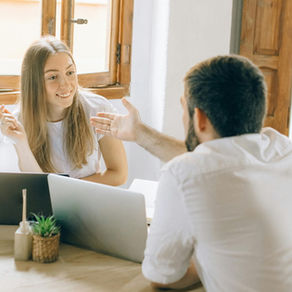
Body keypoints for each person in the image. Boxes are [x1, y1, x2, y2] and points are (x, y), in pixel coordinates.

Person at [91, 55, 292, 291]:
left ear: (200, 118)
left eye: (183, 107)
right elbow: (220, 159)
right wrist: (140, 133)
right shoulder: (281, 147)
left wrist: (205, 255)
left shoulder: (183, 173)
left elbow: (163, 277)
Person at [0, 36, 127, 186]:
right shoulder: (20, 122)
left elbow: (119, 174)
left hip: (87, 200)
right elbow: (37, 185)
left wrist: (68, 189)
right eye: (53, 77)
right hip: (46, 205)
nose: (65, 85)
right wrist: (21, 142)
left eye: (70, 73)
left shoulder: (97, 109)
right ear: (35, 84)